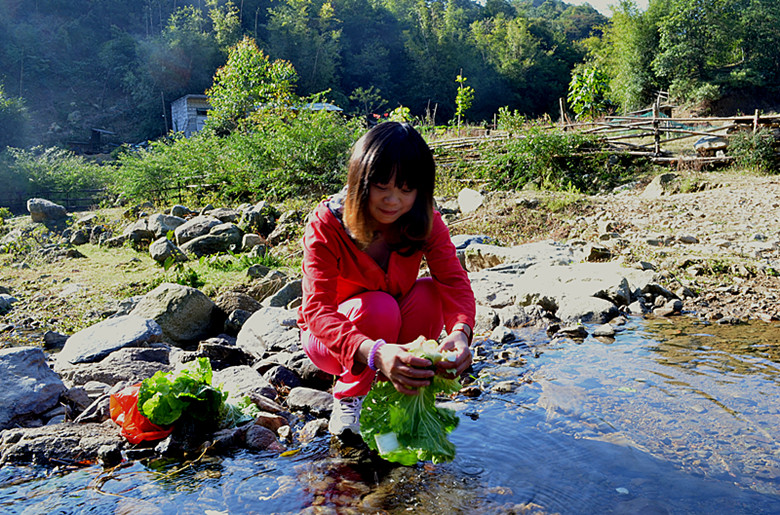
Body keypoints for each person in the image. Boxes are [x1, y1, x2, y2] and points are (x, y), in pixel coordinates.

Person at [297, 121, 476, 437]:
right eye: (382, 186)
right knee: (379, 307)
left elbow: (453, 281)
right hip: (331, 340)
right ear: (360, 180)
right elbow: (317, 311)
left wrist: (461, 333)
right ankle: (350, 395)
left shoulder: (424, 220)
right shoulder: (327, 223)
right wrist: (376, 353)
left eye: (406, 190)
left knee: (431, 294)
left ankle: (398, 388)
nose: (393, 200)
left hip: (389, 326)